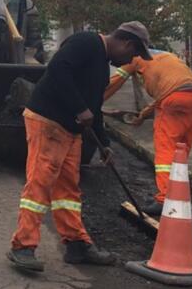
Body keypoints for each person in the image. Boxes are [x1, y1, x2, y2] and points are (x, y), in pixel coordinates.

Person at [8, 22, 153, 273]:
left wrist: (105, 145)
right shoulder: (86, 43)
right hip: (48, 120)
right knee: (41, 182)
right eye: (134, 54)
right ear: (127, 44)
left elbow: (93, 108)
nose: (132, 59)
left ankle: (76, 244)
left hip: (69, 128)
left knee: (68, 189)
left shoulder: (101, 66)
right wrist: (79, 108)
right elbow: (57, 71)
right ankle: (22, 246)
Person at [104, 48, 192, 218]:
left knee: (165, 150)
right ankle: (179, 194)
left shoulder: (133, 56)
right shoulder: (166, 57)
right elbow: (169, 93)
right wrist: (142, 115)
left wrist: (92, 101)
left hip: (173, 101)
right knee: (181, 151)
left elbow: (115, 81)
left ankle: (165, 199)